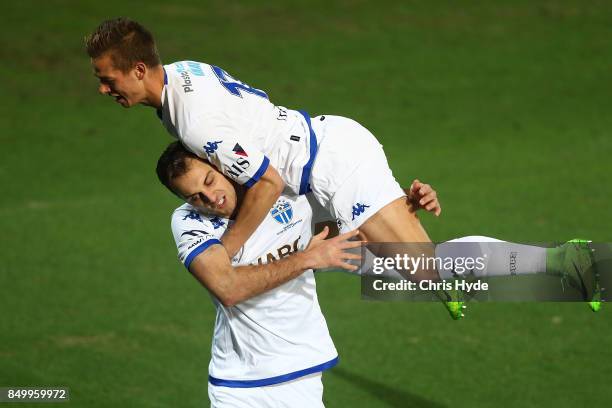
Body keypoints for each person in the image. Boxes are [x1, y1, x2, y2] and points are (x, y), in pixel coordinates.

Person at [87, 18, 601, 317]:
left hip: (326, 162)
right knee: (395, 266)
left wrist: (229, 248)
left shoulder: (191, 120)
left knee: (427, 269)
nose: (103, 90)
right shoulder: (180, 75)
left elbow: (266, 180)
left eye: (108, 79)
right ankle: (407, 223)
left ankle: (568, 263)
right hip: (313, 169)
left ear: (139, 69)